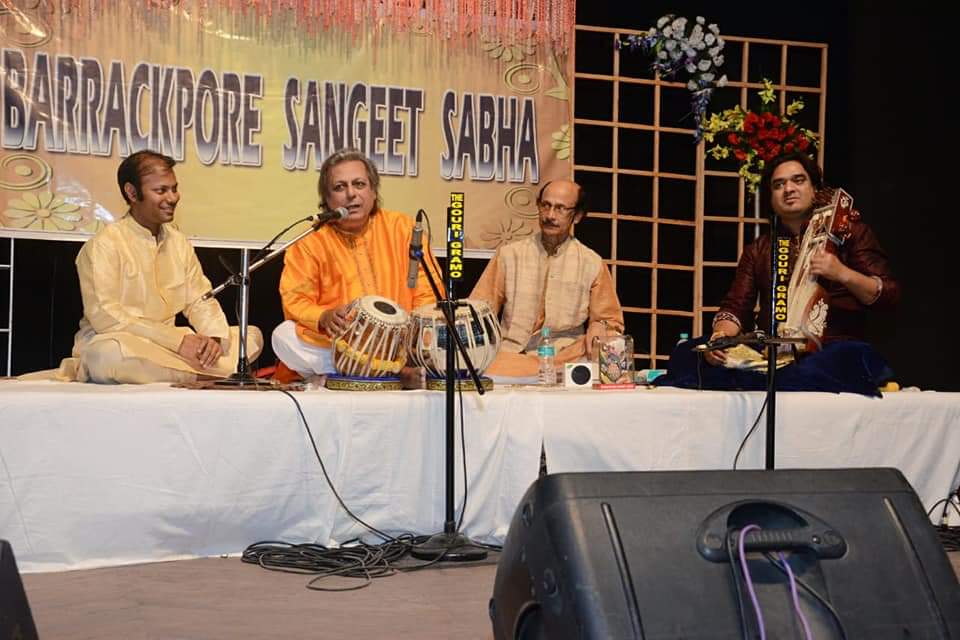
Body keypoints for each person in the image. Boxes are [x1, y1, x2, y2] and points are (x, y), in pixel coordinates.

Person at [56, 150, 262, 384]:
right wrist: (176, 342)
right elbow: (106, 317)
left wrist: (213, 340)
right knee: (107, 355)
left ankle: (196, 370)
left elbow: (199, 299)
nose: (172, 198)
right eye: (161, 191)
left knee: (251, 336)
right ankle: (203, 375)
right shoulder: (104, 245)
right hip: (130, 345)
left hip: (172, 351)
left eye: (174, 188)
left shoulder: (179, 243)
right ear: (132, 193)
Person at [705, 152, 899, 366]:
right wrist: (718, 339)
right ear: (771, 198)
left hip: (835, 350)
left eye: (798, 180)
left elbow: (888, 295)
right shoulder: (759, 249)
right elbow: (736, 306)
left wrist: (842, 273)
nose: (788, 189)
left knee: (818, 368)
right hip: (773, 351)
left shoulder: (849, 232)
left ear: (815, 189)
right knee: (690, 353)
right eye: (778, 185)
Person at [271, 148, 440, 386]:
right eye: (339, 187)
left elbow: (427, 290)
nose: (351, 194)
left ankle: (345, 376)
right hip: (341, 345)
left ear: (373, 191)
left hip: (400, 343)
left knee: (445, 333)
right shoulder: (310, 241)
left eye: (359, 184)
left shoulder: (402, 229)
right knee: (284, 336)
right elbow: (295, 299)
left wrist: (412, 332)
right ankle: (393, 375)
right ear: (327, 199)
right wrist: (323, 316)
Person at [469, 179, 624, 378]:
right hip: (511, 357)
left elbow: (610, 320)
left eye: (560, 209)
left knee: (611, 341)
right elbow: (478, 309)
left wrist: (599, 326)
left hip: (565, 358)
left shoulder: (591, 262)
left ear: (577, 216)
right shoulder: (509, 255)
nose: (550, 215)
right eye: (546, 206)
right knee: (472, 355)